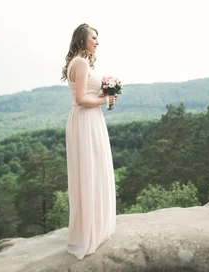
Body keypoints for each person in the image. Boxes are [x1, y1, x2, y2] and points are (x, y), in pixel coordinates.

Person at [60, 23, 117, 260]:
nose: (97, 41)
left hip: (87, 120)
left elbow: (84, 96)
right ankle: (90, 232)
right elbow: (82, 99)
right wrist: (106, 100)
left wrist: (105, 96)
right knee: (90, 172)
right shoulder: (81, 63)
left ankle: (92, 227)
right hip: (86, 120)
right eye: (93, 37)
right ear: (82, 39)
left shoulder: (77, 62)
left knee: (90, 172)